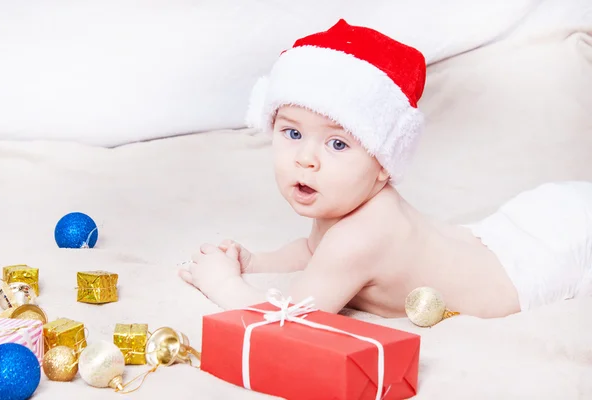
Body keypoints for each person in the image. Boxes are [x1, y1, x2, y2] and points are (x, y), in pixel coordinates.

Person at [178, 19, 592, 319]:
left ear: (383, 166)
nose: (307, 158)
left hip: (541, 262)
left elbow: (288, 321)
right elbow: (312, 251)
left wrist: (224, 283)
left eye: (338, 143)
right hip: (506, 234)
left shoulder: (363, 235)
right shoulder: (344, 214)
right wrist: (255, 262)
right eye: (291, 133)